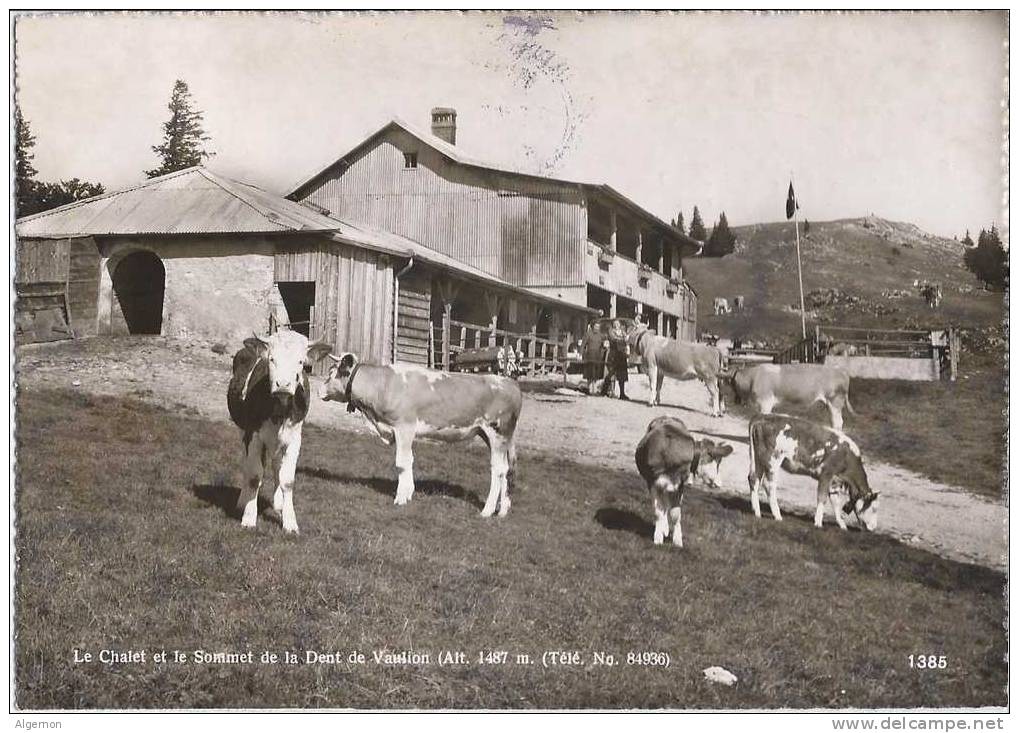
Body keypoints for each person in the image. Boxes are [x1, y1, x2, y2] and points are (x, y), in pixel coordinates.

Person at [604, 318, 630, 400]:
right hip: (614, 355)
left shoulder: (623, 332)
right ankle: (610, 391)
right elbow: (613, 339)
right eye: (615, 324)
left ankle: (622, 394)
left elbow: (627, 340)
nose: (616, 325)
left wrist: (625, 340)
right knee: (612, 373)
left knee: (622, 375)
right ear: (613, 325)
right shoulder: (611, 331)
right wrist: (623, 339)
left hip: (622, 355)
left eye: (618, 324)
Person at [580, 321, 607, 395]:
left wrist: (604, 348)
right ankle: (589, 389)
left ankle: (594, 389)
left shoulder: (601, 335)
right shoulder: (588, 334)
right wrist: (580, 354)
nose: (597, 328)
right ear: (593, 327)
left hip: (598, 356)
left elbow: (603, 346)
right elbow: (583, 345)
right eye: (595, 326)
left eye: (598, 327)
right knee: (589, 373)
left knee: (596, 373)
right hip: (590, 355)